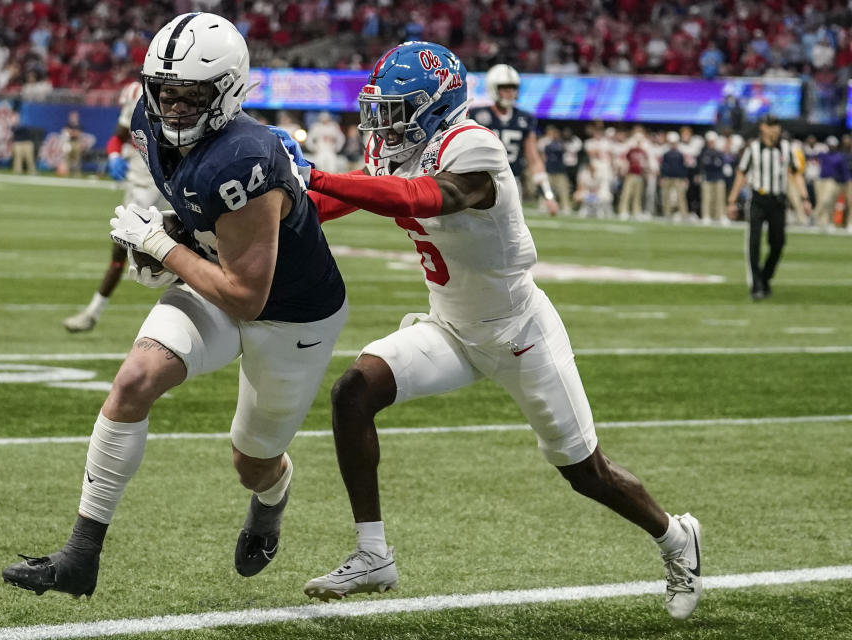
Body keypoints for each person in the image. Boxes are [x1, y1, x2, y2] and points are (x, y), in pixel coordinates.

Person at [296, 41, 702, 621]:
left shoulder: (473, 145)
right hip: (450, 327)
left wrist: (316, 174)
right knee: (353, 392)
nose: (383, 120)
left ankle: (676, 537)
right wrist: (287, 197)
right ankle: (372, 553)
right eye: (380, 106)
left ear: (438, 104)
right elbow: (352, 197)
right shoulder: (391, 148)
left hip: (518, 330)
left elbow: (427, 195)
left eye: (398, 106)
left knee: (586, 473)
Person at [2, 12, 347, 597]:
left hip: (290, 315)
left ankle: (273, 495)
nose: (174, 107)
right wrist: (175, 235)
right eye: (165, 92)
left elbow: (247, 294)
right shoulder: (147, 120)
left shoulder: (245, 160)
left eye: (191, 96)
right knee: (134, 380)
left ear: (229, 91)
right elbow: (202, 223)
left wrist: (162, 244)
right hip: (218, 276)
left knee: (253, 463)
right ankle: (80, 556)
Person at [62, 82, 169, 333]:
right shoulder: (136, 93)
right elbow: (117, 137)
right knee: (121, 249)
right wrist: (113, 156)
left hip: (173, 181)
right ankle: (92, 313)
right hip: (141, 184)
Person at [726, 114, 811, 300]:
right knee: (754, 242)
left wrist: (805, 198)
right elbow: (741, 174)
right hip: (758, 199)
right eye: (770, 125)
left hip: (778, 201)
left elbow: (796, 174)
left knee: (778, 243)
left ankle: (765, 277)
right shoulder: (753, 149)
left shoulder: (787, 148)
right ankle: (756, 284)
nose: (774, 129)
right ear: (762, 127)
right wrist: (731, 201)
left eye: (777, 126)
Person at [470, 64, 558, 214]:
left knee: (512, 233)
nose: (510, 93)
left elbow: (534, 160)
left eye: (513, 88)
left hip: (511, 182)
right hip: (481, 180)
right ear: (494, 89)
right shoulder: (475, 115)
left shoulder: (524, 118)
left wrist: (548, 195)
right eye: (505, 88)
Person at [697, 131, 728, 225]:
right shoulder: (703, 152)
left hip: (718, 177)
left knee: (720, 198)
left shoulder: (719, 153)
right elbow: (703, 165)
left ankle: (721, 215)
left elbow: (720, 165)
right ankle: (706, 215)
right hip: (707, 178)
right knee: (707, 198)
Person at [659, 132, 689, 221]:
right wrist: (662, 177)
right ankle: (666, 213)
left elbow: (683, 167)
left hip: (678, 178)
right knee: (666, 196)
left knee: (681, 197)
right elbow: (663, 166)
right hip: (667, 177)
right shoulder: (666, 154)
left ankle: (684, 214)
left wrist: (684, 178)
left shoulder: (680, 154)